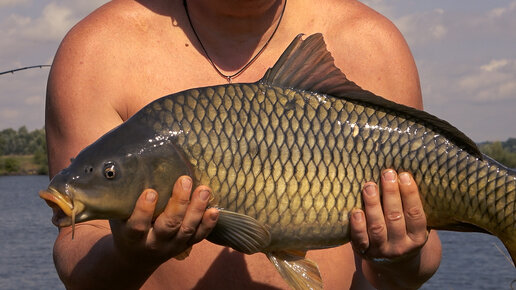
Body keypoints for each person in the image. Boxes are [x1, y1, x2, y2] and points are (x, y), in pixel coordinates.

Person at [45, 0, 442, 289]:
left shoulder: (373, 42)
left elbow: (416, 263)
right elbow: (77, 259)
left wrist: (397, 258)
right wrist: (127, 255)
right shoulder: (96, 48)